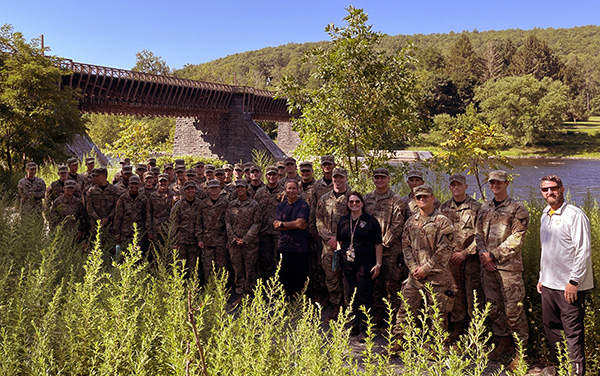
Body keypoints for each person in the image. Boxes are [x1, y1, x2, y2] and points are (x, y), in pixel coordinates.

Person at [538, 175, 593, 375]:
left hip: (569, 287)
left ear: (562, 189)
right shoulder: (545, 214)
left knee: (572, 335)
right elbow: (548, 249)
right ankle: (562, 369)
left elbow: (583, 251)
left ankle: (575, 372)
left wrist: (574, 281)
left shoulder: (575, 215)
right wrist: (542, 276)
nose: (549, 193)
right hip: (549, 285)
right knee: (552, 329)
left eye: (553, 188)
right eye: (545, 189)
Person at [391, 184, 455, 353]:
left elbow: (445, 249)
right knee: (405, 310)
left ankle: (437, 348)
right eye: (418, 197)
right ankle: (399, 343)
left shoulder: (443, 222)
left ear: (433, 198)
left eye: (425, 196)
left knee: (437, 314)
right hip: (415, 277)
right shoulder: (411, 221)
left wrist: (426, 268)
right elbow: (405, 246)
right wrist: (413, 268)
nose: (422, 199)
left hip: (437, 277)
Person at [476, 170, 529, 369]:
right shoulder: (485, 207)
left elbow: (517, 239)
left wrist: (493, 255)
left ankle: (521, 352)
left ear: (507, 183)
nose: (495, 185)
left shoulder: (517, 209)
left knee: (513, 310)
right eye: (491, 183)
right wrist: (483, 255)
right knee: (494, 308)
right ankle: (503, 342)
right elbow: (478, 233)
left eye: (498, 182)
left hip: (508, 269)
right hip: (487, 267)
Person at [440, 174, 483, 343]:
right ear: (450, 187)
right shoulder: (443, 208)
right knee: (455, 294)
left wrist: (465, 253)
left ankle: (475, 333)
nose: (456, 188)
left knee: (474, 295)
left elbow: (481, 235)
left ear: (466, 186)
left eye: (459, 185)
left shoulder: (477, 207)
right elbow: (440, 233)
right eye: (453, 185)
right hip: (451, 260)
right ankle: (457, 329)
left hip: (471, 259)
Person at [337, 191, 382, 340]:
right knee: (350, 294)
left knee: (364, 295)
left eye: (357, 201)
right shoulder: (343, 220)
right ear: (348, 205)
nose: (354, 204)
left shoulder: (371, 221)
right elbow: (340, 241)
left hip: (365, 262)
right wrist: (338, 259)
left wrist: (378, 264)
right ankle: (352, 325)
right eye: (351, 202)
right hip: (347, 263)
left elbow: (378, 244)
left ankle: (365, 329)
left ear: (362, 203)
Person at [364, 168, 406, 326]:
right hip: (370, 249)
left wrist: (381, 243)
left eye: (383, 177)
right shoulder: (367, 198)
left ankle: (393, 316)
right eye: (377, 178)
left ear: (388, 179)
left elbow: (397, 225)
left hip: (389, 250)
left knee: (391, 283)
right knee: (375, 281)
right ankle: (379, 312)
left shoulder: (396, 200)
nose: (379, 180)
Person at [316, 167, 352, 320]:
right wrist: (329, 238)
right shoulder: (324, 198)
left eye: (341, 177)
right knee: (331, 278)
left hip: (347, 247)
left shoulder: (352, 198)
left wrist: (341, 240)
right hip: (329, 247)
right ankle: (336, 306)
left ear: (345, 178)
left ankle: (348, 308)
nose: (338, 180)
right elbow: (319, 220)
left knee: (347, 278)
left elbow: (356, 221)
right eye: (335, 177)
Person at [273, 180, 311, 297]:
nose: (291, 191)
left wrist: (282, 224)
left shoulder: (303, 205)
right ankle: (286, 303)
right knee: (284, 278)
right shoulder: (281, 206)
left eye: (294, 188)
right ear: (285, 190)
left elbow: (300, 224)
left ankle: (301, 304)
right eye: (289, 188)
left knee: (300, 278)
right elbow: (275, 225)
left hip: (299, 248)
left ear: (298, 190)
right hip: (284, 246)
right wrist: (291, 225)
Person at [226, 179, 262, 298]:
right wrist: (233, 238)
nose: (240, 189)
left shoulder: (254, 204)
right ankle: (240, 294)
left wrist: (246, 239)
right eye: (238, 187)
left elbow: (257, 223)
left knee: (250, 269)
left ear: (246, 188)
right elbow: (228, 222)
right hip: (235, 243)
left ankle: (250, 295)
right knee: (238, 269)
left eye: (242, 187)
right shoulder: (232, 204)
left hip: (250, 244)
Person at [254, 166, 286, 280]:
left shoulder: (284, 193)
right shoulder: (259, 193)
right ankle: (268, 285)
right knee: (266, 260)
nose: (271, 177)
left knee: (279, 259)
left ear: (278, 176)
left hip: (279, 232)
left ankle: (279, 286)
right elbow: (256, 213)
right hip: (264, 232)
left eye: (274, 174)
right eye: (269, 175)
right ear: (266, 176)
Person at [170, 180, 203, 280]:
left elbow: (202, 222)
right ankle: (179, 290)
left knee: (193, 267)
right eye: (188, 189)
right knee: (180, 267)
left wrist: (200, 239)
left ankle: (191, 290)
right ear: (184, 191)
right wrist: (174, 242)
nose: (190, 191)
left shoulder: (200, 204)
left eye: (192, 188)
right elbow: (173, 224)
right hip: (181, 241)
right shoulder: (178, 205)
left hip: (194, 241)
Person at [199, 179, 230, 281]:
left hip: (221, 239)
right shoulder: (203, 204)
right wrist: (200, 239)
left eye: (216, 188)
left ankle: (221, 290)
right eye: (212, 188)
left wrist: (229, 239)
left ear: (220, 188)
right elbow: (199, 222)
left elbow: (229, 223)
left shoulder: (225, 203)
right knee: (207, 267)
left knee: (221, 266)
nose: (214, 190)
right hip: (207, 240)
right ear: (208, 189)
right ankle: (209, 288)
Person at [114, 175, 148, 251]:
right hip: (125, 233)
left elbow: (146, 216)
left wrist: (146, 232)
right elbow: (118, 216)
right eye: (132, 184)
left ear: (139, 185)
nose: (134, 186)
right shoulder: (123, 198)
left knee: (137, 255)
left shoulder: (143, 199)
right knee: (125, 255)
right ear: (129, 184)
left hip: (138, 232)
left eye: (136, 184)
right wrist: (117, 233)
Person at [85, 167, 120, 238]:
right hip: (95, 226)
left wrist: (108, 218)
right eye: (93, 176)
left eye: (96, 176)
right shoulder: (91, 191)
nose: (94, 178)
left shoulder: (115, 190)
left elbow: (117, 207)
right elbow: (89, 208)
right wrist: (98, 219)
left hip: (110, 225)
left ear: (104, 176)